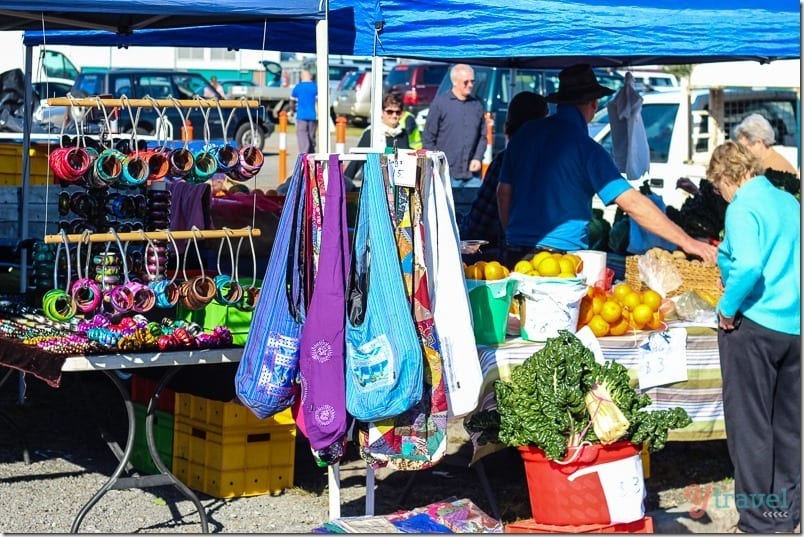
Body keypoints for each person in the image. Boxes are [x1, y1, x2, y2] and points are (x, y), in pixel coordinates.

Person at [497, 63, 717, 268]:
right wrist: (687, 242)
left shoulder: (525, 134)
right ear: (594, 104)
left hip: (515, 253)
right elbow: (631, 203)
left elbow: (503, 193)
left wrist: (514, 236)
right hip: (558, 261)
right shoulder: (586, 148)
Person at [707, 140, 800, 534]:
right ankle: (787, 514)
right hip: (793, 325)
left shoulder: (742, 206)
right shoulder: (789, 202)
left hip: (755, 326)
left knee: (751, 427)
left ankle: (760, 522)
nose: (721, 194)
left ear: (728, 177)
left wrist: (726, 308)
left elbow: (748, 264)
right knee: (789, 426)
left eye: (718, 187)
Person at [458, 91, 549, 259]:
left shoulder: (507, 157)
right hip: (493, 249)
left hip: (496, 245)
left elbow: (483, 215)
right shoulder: (516, 159)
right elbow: (498, 200)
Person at [422, 64, 487, 188]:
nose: (470, 85)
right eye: (466, 82)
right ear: (455, 81)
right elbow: (428, 138)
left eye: (472, 81)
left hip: (472, 175)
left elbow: (482, 136)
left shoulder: (477, 105)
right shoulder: (440, 104)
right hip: (446, 174)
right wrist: (437, 164)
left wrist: (477, 158)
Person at [344, 93, 411, 190]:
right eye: (390, 112)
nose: (394, 115)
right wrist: (343, 185)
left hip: (400, 188)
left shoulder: (403, 134)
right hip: (376, 188)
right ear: (382, 112)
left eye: (398, 112)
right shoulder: (371, 134)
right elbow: (355, 162)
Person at [732, 113, 798, 175]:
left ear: (759, 143)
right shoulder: (766, 162)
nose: (741, 153)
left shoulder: (772, 170)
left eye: (744, 148)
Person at [291, 69, 318, 154]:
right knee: (311, 136)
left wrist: (293, 110)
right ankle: (312, 154)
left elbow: (292, 101)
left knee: (302, 135)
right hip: (313, 116)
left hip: (301, 115)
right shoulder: (315, 87)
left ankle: (304, 155)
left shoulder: (298, 87)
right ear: (310, 77)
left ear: (302, 77)